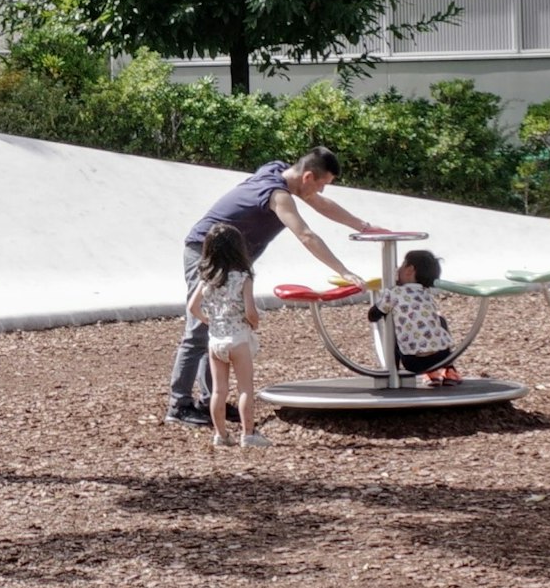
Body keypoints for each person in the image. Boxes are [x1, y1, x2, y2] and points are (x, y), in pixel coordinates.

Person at [168, 150, 391, 426]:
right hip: (204, 252)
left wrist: (364, 226)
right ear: (307, 176)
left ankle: (209, 401)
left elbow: (321, 204)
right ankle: (179, 406)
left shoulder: (277, 170)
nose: (320, 190)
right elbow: (306, 235)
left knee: (220, 327)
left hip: (233, 262)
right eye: (321, 183)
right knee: (200, 329)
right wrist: (344, 271)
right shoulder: (278, 195)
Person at [193, 230, 265, 447]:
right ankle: (249, 434)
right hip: (238, 339)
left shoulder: (207, 277)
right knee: (245, 388)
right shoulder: (243, 277)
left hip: (215, 340)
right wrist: (254, 323)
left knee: (218, 390)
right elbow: (250, 311)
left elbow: (192, 307)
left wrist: (210, 321)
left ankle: (221, 434)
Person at [377, 249, 460, 379]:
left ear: (409, 270)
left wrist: (372, 314)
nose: (397, 269)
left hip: (413, 363)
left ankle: (393, 373)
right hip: (441, 358)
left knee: (394, 327)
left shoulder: (395, 292)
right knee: (439, 320)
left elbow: (377, 312)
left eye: (401, 266)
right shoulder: (426, 294)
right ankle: (449, 369)